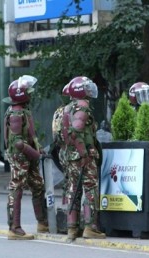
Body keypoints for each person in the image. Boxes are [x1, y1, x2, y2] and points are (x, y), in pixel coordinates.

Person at [3, 75, 48, 240]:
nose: (30, 94)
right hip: (21, 157)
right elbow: (18, 143)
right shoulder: (15, 114)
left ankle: (43, 223)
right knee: (17, 188)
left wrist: (38, 149)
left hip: (28, 157)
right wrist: (35, 154)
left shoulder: (23, 111)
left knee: (38, 185)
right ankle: (14, 228)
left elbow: (29, 136)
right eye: (27, 91)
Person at [63, 76, 106, 240]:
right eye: (87, 88)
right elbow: (76, 130)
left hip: (70, 155)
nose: (90, 91)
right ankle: (90, 227)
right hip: (83, 156)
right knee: (90, 188)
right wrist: (84, 153)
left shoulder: (68, 108)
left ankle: (72, 229)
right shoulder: (83, 107)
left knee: (73, 189)